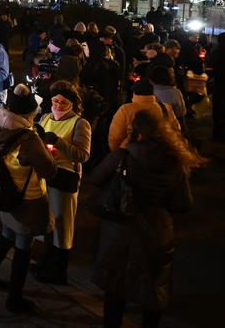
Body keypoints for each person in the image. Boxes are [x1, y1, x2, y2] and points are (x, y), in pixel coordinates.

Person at [90, 111, 204, 328]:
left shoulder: (122, 157)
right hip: (156, 232)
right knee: (152, 292)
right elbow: (183, 204)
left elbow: (96, 178)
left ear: (138, 133)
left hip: (119, 231)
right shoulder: (174, 163)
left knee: (115, 290)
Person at [0, 84, 59, 313]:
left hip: (5, 191)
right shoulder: (28, 139)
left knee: (6, 233)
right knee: (23, 246)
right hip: (28, 199)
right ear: (28, 113)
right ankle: (14, 299)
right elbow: (48, 171)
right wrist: (48, 152)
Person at [31, 80, 91, 285]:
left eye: (63, 102)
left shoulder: (80, 123)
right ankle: (46, 261)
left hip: (64, 178)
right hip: (44, 176)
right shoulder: (46, 117)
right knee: (45, 220)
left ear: (72, 104)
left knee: (62, 224)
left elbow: (82, 155)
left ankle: (59, 269)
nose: (57, 106)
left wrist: (58, 142)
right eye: (55, 101)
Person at [109, 79, 181, 150]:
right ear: (152, 93)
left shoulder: (126, 109)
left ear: (134, 93)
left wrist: (117, 152)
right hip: (160, 152)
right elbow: (176, 129)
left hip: (132, 153)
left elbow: (115, 137)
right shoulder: (165, 107)